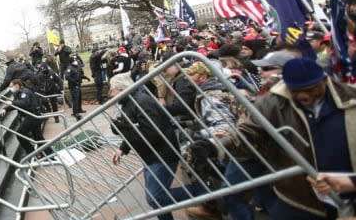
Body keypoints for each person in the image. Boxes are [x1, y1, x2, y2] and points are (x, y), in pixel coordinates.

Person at [191, 57, 356, 219]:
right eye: (296, 91)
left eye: (311, 89)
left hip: (349, 192)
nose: (305, 96)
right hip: (299, 197)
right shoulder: (274, 102)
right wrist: (215, 146)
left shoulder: (350, 99)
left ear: (324, 80)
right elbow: (249, 132)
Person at [110, 73, 204, 220]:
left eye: (112, 90)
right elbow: (136, 129)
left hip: (161, 155)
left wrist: (123, 129)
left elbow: (151, 134)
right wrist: (123, 148)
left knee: (156, 198)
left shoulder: (141, 102)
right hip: (152, 156)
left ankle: (202, 191)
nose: (111, 94)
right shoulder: (130, 103)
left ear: (121, 89)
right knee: (159, 198)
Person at [0, 79, 44, 156]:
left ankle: (31, 152)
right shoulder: (19, 93)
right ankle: (48, 153)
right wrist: (6, 109)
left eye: (11, 86)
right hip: (34, 116)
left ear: (16, 85)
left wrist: (12, 102)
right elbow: (17, 105)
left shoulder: (24, 92)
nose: (11, 88)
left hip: (32, 116)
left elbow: (24, 103)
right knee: (38, 137)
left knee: (20, 133)